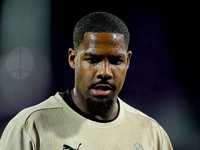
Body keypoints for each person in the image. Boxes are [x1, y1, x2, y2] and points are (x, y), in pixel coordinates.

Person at [0, 12, 173, 150]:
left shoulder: (151, 133)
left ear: (127, 62)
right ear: (73, 58)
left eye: (115, 61)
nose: (105, 72)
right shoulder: (29, 127)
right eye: (93, 60)